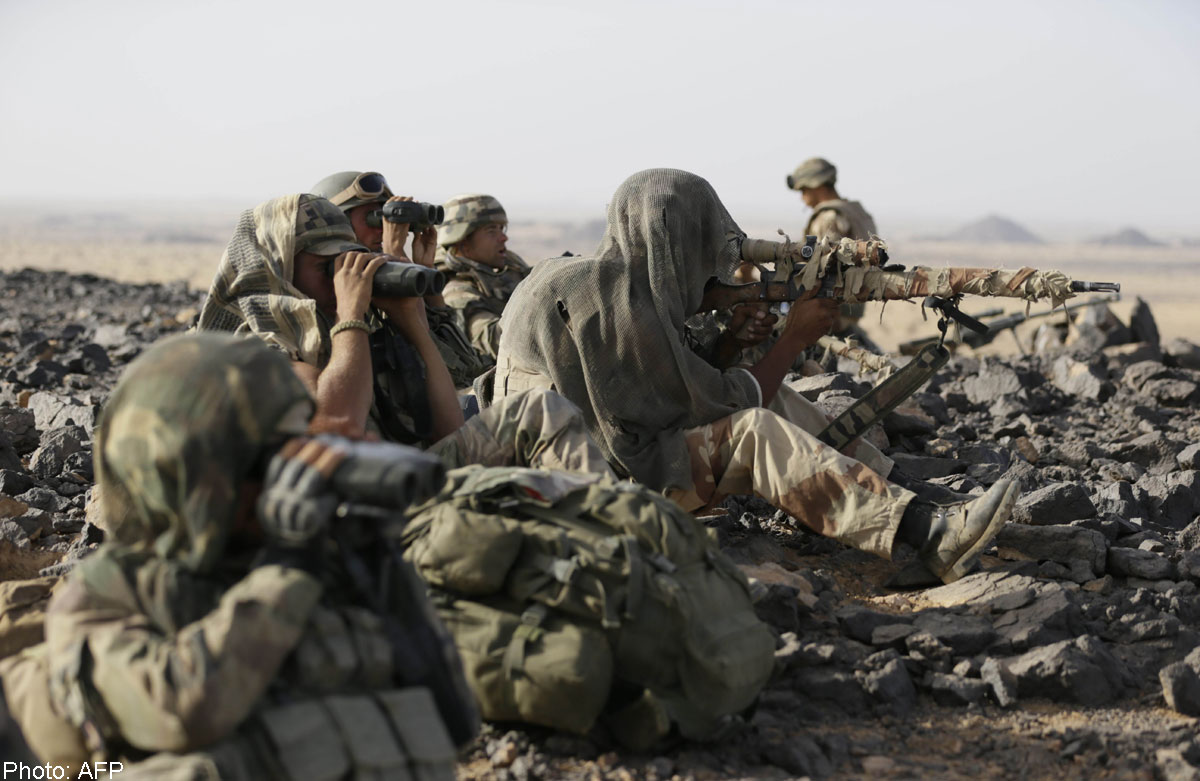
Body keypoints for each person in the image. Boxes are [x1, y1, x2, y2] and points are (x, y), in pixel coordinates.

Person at [494, 169, 1018, 585]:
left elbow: (669, 384)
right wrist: (791, 340)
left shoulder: (603, 284)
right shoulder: (612, 309)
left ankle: (912, 495)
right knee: (754, 431)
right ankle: (927, 534)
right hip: (580, 499)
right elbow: (722, 405)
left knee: (778, 398)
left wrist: (730, 344)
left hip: (580, 465)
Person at [27, 333, 471, 778]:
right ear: (179, 476)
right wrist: (288, 565)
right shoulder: (107, 596)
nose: (284, 476)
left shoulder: (318, 561)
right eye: (262, 462)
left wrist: (375, 556)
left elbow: (454, 721)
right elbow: (184, 711)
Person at [197, 193, 612, 478]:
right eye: (325, 267)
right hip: (353, 500)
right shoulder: (259, 343)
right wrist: (350, 317)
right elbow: (337, 426)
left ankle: (609, 523)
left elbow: (448, 428)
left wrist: (413, 324)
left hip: (403, 471)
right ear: (280, 268)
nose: (338, 278)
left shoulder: (344, 321)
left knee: (540, 409)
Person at [310, 171, 490, 388]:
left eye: (385, 217)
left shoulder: (377, 281)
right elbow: (428, 371)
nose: (383, 227)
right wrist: (395, 254)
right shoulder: (332, 295)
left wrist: (426, 275)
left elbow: (466, 366)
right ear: (339, 223)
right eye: (373, 217)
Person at [787, 157, 879, 342]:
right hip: (852, 308)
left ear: (816, 185)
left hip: (831, 313)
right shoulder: (855, 211)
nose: (802, 198)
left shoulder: (828, 217)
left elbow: (823, 269)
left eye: (804, 190)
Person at [434, 194, 531, 360]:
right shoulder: (457, 291)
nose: (503, 237)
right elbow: (497, 341)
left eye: (502, 228)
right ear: (462, 242)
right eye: (491, 231)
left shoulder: (512, 269)